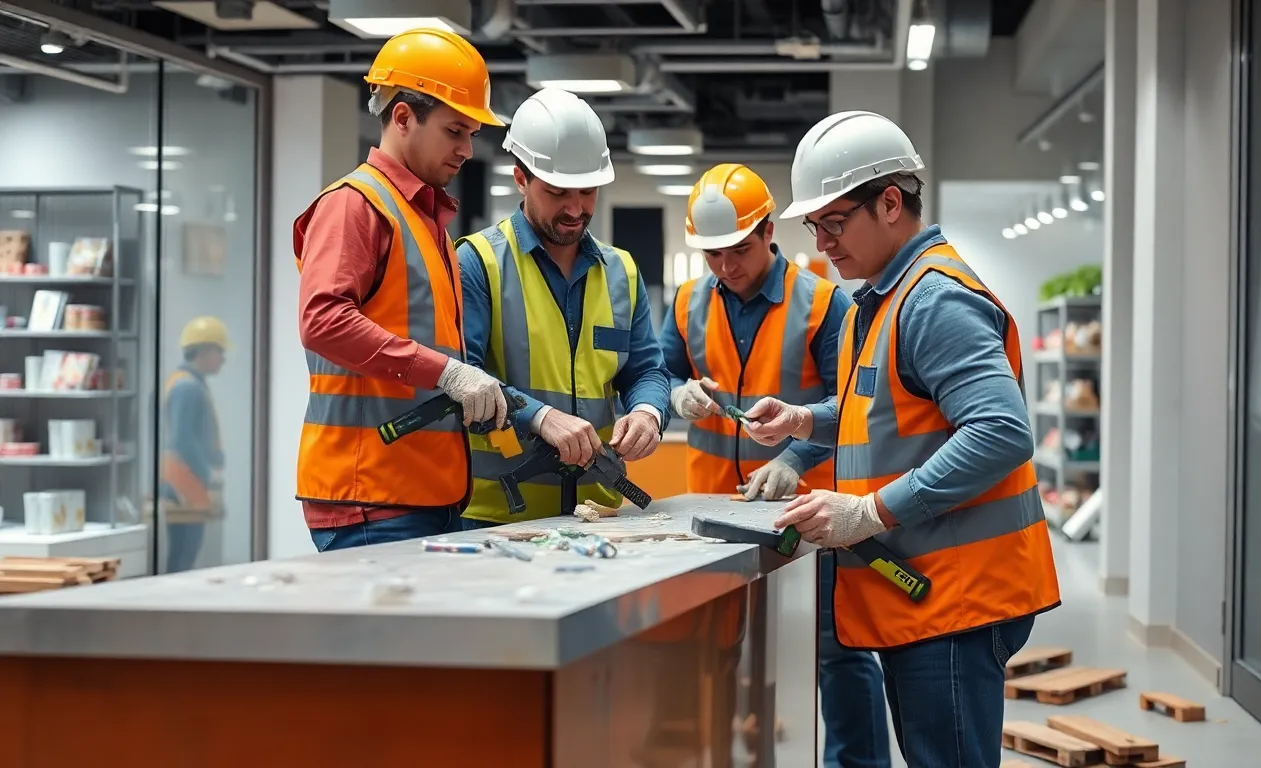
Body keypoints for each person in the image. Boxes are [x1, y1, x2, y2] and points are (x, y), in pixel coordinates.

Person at [744, 110, 1062, 768]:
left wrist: (869, 512)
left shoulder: (932, 301)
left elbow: (1001, 431)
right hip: (926, 585)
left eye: (834, 223)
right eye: (815, 227)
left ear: (890, 202)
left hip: (957, 597)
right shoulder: (882, 297)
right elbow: (886, 409)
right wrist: (805, 420)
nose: (824, 243)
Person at [659, 163, 891, 767]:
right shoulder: (687, 301)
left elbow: (852, 409)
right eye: (712, 254)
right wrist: (675, 393)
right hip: (712, 514)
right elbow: (656, 374)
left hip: (805, 515)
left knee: (833, 648)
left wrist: (792, 458)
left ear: (767, 232)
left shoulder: (821, 304)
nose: (725, 267)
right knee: (716, 648)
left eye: (737, 250)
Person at [293, 28, 509, 552]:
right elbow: (322, 321)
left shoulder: (424, 218)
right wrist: (448, 371)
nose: (467, 149)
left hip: (421, 492)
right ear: (404, 117)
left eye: (472, 133)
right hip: (371, 497)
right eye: (455, 131)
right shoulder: (356, 205)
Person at [456, 87, 670, 527]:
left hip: (598, 515)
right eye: (557, 193)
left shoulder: (620, 271)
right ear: (521, 178)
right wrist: (540, 417)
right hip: (497, 519)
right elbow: (462, 379)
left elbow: (646, 370)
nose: (576, 209)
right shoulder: (478, 262)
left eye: (588, 192)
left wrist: (648, 412)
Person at [159, 316, 228, 573]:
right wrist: (209, 476)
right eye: (220, 351)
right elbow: (183, 440)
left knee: (185, 557)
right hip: (184, 486)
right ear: (206, 350)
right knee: (183, 558)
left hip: (184, 484)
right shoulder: (187, 388)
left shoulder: (187, 383)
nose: (223, 358)